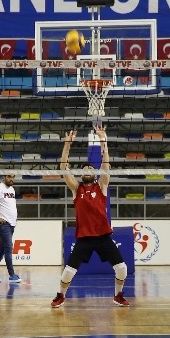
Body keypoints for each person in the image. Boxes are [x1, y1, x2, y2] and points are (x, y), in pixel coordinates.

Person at [51, 126, 129, 308]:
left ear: (94, 174)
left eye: (90, 168)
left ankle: (118, 295)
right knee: (68, 272)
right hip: (84, 238)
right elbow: (63, 167)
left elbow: (106, 165)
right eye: (84, 168)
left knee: (122, 268)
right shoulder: (76, 189)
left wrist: (104, 141)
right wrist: (67, 144)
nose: (87, 169)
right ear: (81, 174)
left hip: (103, 237)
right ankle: (60, 296)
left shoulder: (101, 186)